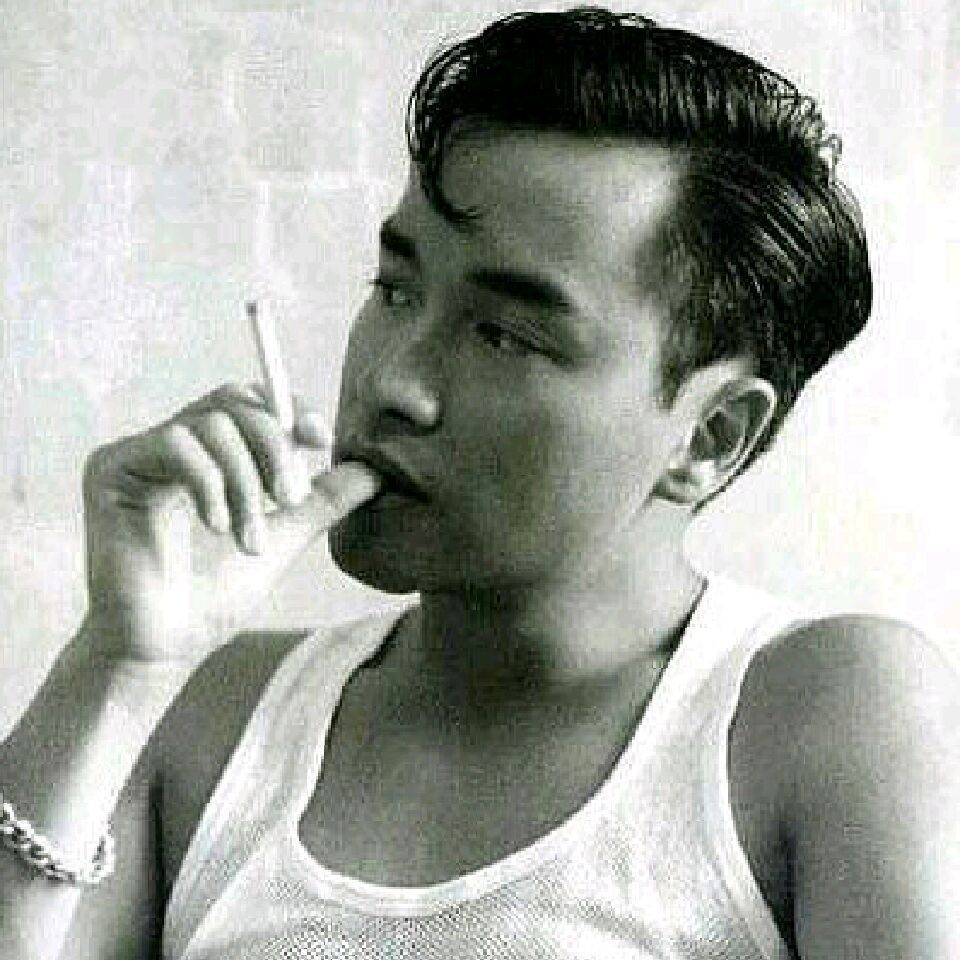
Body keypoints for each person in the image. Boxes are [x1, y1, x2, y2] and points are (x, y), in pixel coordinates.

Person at [1, 8, 958, 959]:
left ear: (711, 436)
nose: (392, 382)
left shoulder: (818, 713)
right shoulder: (213, 719)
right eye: (395, 291)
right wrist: (121, 663)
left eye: (505, 335)